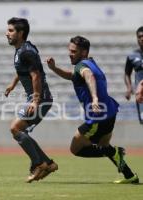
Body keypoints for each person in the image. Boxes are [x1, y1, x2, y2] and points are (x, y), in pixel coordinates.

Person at [46, 36, 139, 184]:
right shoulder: (90, 62)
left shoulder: (82, 66)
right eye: (69, 50)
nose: (69, 53)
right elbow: (73, 76)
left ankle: (115, 152)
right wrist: (54, 68)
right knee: (104, 146)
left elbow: (88, 77)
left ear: (83, 53)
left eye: (73, 51)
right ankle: (130, 176)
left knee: (75, 149)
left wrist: (94, 98)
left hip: (98, 117)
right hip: (110, 112)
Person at [5, 17, 58, 183]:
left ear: (21, 33)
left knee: (15, 128)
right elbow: (24, 70)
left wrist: (35, 101)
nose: (7, 33)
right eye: (8, 30)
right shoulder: (22, 50)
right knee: (19, 130)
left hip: (40, 98)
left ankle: (39, 163)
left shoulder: (27, 51)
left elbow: (35, 75)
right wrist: (13, 84)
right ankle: (48, 164)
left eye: (11, 30)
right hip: (39, 98)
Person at [124, 26, 143, 124]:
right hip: (141, 95)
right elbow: (127, 73)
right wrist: (129, 88)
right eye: (139, 37)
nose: (142, 38)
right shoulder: (132, 56)